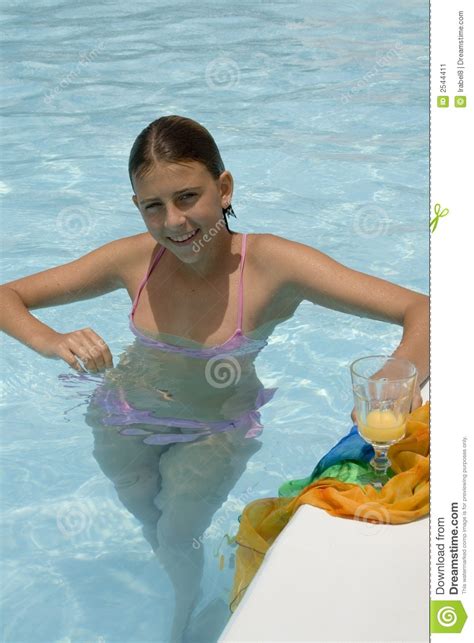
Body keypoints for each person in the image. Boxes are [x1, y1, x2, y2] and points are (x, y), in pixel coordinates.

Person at [0, 114, 429, 641]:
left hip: (213, 430)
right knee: (148, 521)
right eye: (153, 206)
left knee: (179, 532)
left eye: (187, 197)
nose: (174, 221)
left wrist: (397, 376)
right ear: (138, 208)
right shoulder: (133, 260)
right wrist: (51, 340)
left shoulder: (274, 265)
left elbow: (422, 310)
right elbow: (7, 296)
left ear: (223, 189)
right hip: (122, 418)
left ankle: (184, 610)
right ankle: (187, 592)